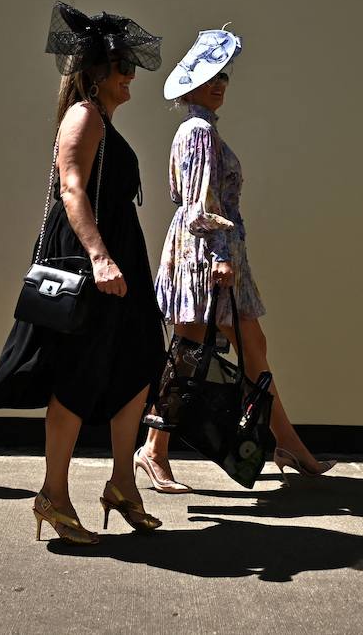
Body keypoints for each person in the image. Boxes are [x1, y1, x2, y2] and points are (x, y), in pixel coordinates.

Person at [0, 2, 166, 545]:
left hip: (121, 259)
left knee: (138, 364)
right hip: (92, 259)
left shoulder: (103, 120)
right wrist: (101, 257)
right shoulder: (83, 114)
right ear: (100, 73)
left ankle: (123, 484)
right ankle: (53, 496)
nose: (131, 78)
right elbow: (71, 189)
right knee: (78, 373)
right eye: (123, 68)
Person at [138, 28, 336, 493]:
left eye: (223, 75)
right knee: (192, 355)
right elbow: (199, 205)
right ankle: (154, 450)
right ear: (191, 85)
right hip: (207, 254)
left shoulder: (199, 129)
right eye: (210, 76)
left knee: (247, 348)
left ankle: (286, 445)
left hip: (214, 252)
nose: (220, 83)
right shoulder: (200, 131)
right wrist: (220, 257)